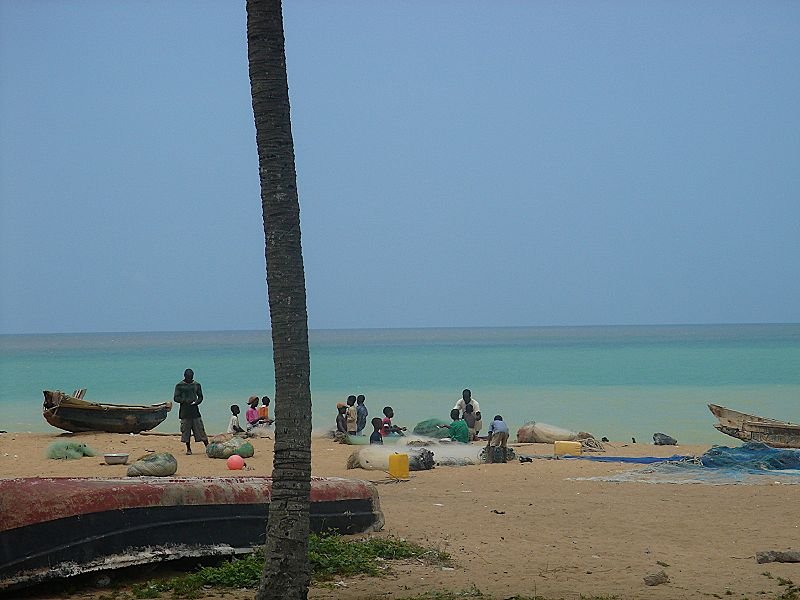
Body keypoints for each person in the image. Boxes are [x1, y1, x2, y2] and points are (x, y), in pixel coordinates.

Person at [174, 368, 208, 455]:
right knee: (186, 432)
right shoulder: (179, 385)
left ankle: (207, 446)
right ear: (185, 376)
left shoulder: (196, 385)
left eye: (191, 376)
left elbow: (200, 397)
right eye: (188, 376)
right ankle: (188, 449)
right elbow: (176, 398)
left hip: (195, 411)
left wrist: (197, 402)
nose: (189, 378)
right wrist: (185, 400)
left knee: (200, 429)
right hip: (185, 411)